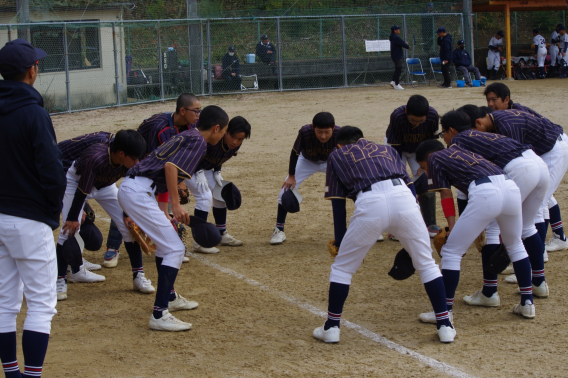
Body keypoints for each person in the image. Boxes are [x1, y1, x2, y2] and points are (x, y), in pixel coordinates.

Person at [312, 126, 456, 344]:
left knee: (342, 268)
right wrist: (413, 228)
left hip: (370, 204)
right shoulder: (386, 150)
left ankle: (331, 328)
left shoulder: (337, 154)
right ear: (363, 138)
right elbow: (411, 187)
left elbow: (338, 203)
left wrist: (340, 240)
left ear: (340, 144)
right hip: (404, 199)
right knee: (427, 264)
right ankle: (445, 324)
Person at [118, 105, 228, 331]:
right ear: (216, 128)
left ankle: (168, 298)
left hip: (138, 190)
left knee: (165, 245)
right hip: (138, 192)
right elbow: (170, 168)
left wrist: (164, 210)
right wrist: (176, 206)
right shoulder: (198, 141)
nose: (224, 135)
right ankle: (159, 315)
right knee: (175, 249)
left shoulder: (189, 134)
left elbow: (163, 168)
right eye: (224, 131)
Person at [415, 119, 536, 320]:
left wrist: (452, 227)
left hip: (485, 193)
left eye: (423, 166)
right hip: (509, 186)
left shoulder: (435, 158)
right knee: (515, 245)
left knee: (452, 251)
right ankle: (527, 303)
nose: (426, 170)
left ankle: (444, 313)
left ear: (428, 157)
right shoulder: (461, 150)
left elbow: (446, 194)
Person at [0, 39, 67, 378]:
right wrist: (52, 210)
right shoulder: (34, 113)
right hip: (29, 219)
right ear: (31, 71)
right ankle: (31, 376)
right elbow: (52, 171)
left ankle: (11, 373)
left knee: (4, 304)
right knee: (41, 305)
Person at [450, 105, 549, 303]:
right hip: (538, 164)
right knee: (527, 227)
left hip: (520, 170)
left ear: (451, 130)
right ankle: (538, 283)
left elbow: (463, 189)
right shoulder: (490, 135)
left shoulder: (460, 141)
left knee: (492, 230)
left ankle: (489, 292)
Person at [55, 130, 149, 301]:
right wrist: (72, 217)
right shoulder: (96, 157)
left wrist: (128, 214)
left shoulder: (127, 162)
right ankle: (59, 280)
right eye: (134, 158)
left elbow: (131, 189)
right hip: (76, 183)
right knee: (69, 229)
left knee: (128, 227)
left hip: (105, 186)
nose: (137, 162)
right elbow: (83, 190)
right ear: (121, 154)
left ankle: (138, 276)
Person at [473, 107, 568, 269]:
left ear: (478, 122)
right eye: (489, 100)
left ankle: (535, 257)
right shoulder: (501, 118)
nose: (478, 136)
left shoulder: (507, 125)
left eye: (494, 99)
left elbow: (513, 154)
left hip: (552, 151)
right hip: (543, 151)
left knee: (537, 207)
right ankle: (550, 243)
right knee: (540, 201)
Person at [137, 93, 201, 261]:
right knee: (133, 204)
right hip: (139, 159)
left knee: (168, 202)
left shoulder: (191, 126)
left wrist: (179, 182)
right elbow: (154, 163)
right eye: (195, 111)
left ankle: (170, 244)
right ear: (182, 110)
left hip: (161, 165)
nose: (198, 115)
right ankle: (113, 247)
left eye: (200, 111)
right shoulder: (159, 127)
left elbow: (176, 161)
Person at [270, 112, 340, 245]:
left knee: (354, 188)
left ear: (334, 128)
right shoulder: (305, 131)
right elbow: (294, 153)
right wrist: (291, 176)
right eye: (319, 132)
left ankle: (365, 226)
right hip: (307, 161)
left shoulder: (340, 133)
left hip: (331, 162)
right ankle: (279, 230)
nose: (323, 136)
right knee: (284, 191)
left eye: (327, 132)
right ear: (313, 127)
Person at [57, 131, 124, 269]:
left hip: (84, 180)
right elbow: (69, 176)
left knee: (92, 236)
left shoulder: (110, 147)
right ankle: (70, 268)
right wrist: (76, 208)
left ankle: (76, 260)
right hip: (65, 176)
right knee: (71, 225)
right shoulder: (97, 152)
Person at [184, 116, 251, 254]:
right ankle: (199, 241)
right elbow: (194, 154)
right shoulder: (213, 139)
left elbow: (221, 155)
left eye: (240, 139)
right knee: (205, 197)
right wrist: (198, 171)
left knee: (221, 193)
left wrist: (217, 171)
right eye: (232, 136)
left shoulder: (235, 144)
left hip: (205, 168)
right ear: (226, 131)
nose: (235, 141)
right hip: (188, 165)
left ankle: (221, 233)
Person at [385, 95, 440, 237]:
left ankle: (429, 223)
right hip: (398, 149)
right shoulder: (397, 116)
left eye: (420, 121)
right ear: (406, 112)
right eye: (412, 120)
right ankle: (396, 226)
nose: (416, 124)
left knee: (427, 180)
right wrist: (399, 172)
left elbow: (431, 144)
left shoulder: (433, 116)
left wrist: (426, 165)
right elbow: (395, 147)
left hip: (420, 150)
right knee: (397, 183)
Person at [389, 25, 409, 90]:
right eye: (398, 29)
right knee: (398, 69)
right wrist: (407, 46)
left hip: (395, 54)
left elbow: (400, 42)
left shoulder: (393, 36)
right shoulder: (395, 37)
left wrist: (403, 43)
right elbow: (402, 43)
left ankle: (393, 81)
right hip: (397, 55)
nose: (399, 30)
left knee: (397, 69)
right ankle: (396, 84)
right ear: (395, 30)